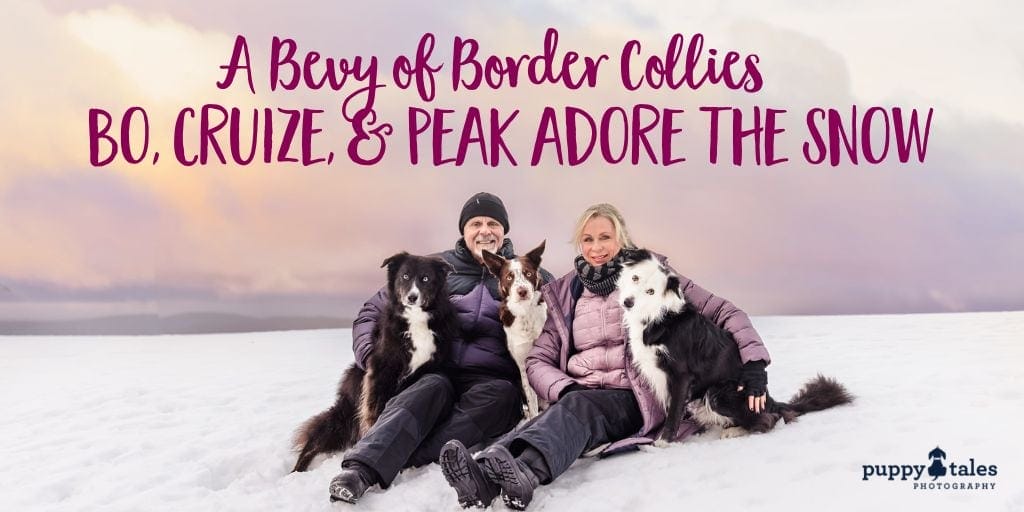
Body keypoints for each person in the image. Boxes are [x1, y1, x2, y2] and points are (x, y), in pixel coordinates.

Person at [439, 203, 772, 510]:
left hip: (634, 397)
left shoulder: (652, 275)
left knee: (580, 408)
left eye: (604, 237)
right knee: (559, 413)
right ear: (579, 245)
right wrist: (563, 388)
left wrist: (754, 364)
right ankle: (482, 476)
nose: (596, 247)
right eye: (587, 239)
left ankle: (525, 474)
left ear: (621, 239)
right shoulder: (565, 293)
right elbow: (538, 359)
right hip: (580, 393)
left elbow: (723, 310)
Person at [328, 192, 554, 504]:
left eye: (493, 223)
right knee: (429, 388)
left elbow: (561, 328)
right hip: (436, 370)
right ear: (464, 230)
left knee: (500, 396)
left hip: (493, 379)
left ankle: (409, 454)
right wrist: (371, 357)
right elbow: (372, 311)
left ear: (504, 231)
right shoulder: (432, 268)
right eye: (476, 223)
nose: (485, 230)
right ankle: (360, 470)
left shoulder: (528, 275)